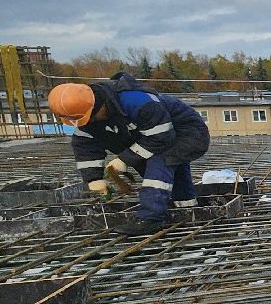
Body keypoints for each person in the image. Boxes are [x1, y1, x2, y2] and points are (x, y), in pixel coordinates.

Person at [47, 72, 211, 235]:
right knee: (173, 172)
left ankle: (150, 218)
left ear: (98, 105)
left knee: (161, 162)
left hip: (188, 132)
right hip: (151, 136)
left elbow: (161, 137)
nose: (90, 122)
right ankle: (187, 209)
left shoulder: (136, 101)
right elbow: (84, 146)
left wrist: (125, 159)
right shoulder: (89, 118)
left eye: (91, 118)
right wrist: (93, 178)